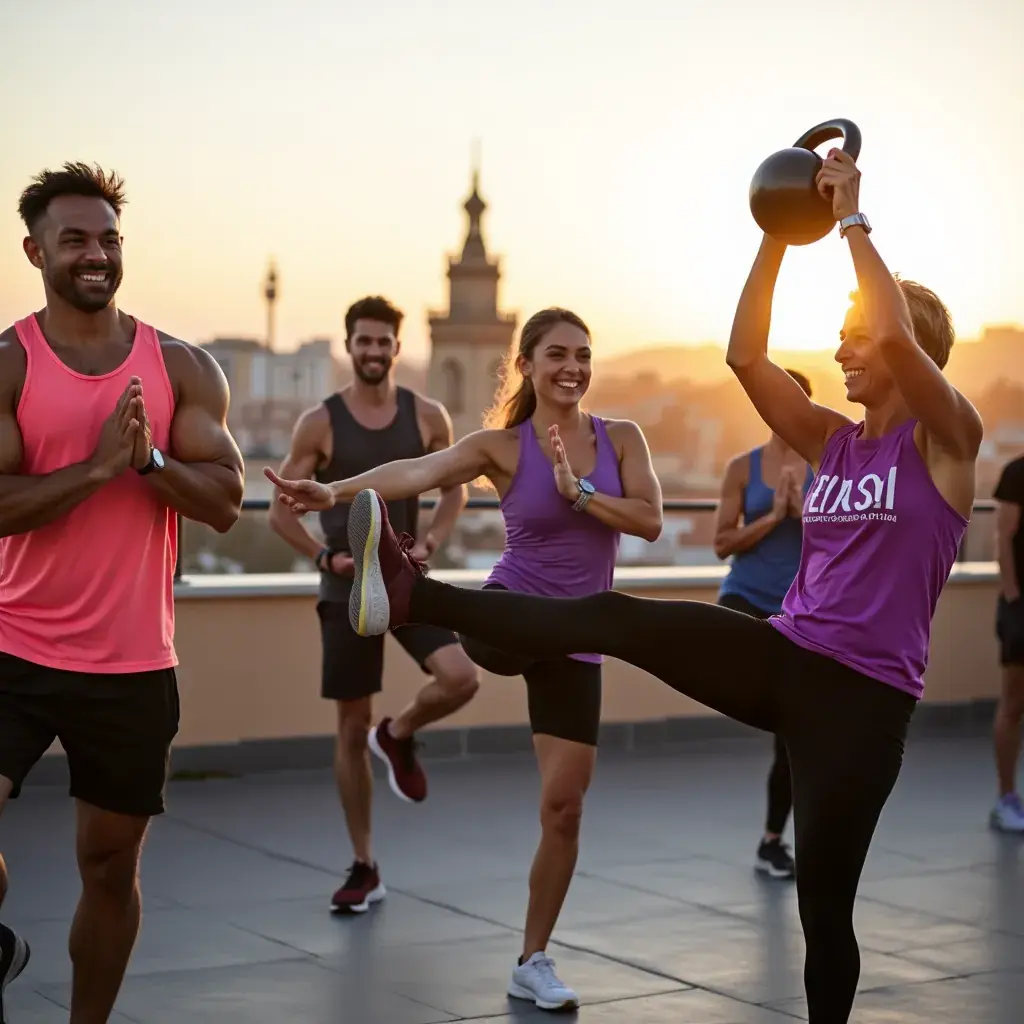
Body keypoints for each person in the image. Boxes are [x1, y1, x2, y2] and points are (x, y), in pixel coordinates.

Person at [275, 151, 983, 1023]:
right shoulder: (834, 441)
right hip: (785, 656)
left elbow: (904, 342)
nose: (839, 347)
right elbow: (744, 356)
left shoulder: (947, 445)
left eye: (857, 334)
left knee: (823, 914)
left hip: (864, 706)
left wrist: (850, 221)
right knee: (615, 618)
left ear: (910, 355)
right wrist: (773, 238)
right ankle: (413, 594)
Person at [267, 306, 663, 1011]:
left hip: (575, 638)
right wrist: (336, 491)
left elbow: (651, 521)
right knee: (499, 631)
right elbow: (420, 469)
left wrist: (584, 493)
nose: (572, 366)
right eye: (556, 355)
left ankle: (532, 959)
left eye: (583, 354)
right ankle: (411, 591)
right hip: (505, 617)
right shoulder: (502, 445)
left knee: (565, 808)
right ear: (528, 366)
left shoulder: (621, 439)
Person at [0, 163, 244, 1023]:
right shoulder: (7, 364)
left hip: (132, 662)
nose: (95, 254)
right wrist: (97, 468)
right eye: (75, 239)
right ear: (35, 251)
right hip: (13, 645)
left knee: (110, 868)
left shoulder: (180, 367)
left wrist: (148, 463)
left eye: (108, 238)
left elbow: (222, 500)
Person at [267, 295, 480, 914]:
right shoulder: (321, 422)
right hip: (346, 588)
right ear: (349, 345)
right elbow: (282, 509)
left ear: (396, 346)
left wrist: (435, 537)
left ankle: (403, 730)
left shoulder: (427, 415)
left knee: (462, 678)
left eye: (384, 341)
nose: (373, 351)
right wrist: (324, 557)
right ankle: (364, 864)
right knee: (349, 728)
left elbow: (455, 490)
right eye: (363, 341)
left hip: (408, 579)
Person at [714, 369, 815, 880]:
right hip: (745, 603)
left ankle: (773, 841)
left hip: (803, 611)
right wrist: (774, 518)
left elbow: (850, 547)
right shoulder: (742, 467)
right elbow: (721, 543)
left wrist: (806, 516)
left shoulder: (828, 468)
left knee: (794, 736)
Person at [990, 452, 1024, 832]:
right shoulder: (1017, 472)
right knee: (1014, 704)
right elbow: (1003, 538)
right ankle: (1006, 798)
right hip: (1021, 608)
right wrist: (1014, 598)